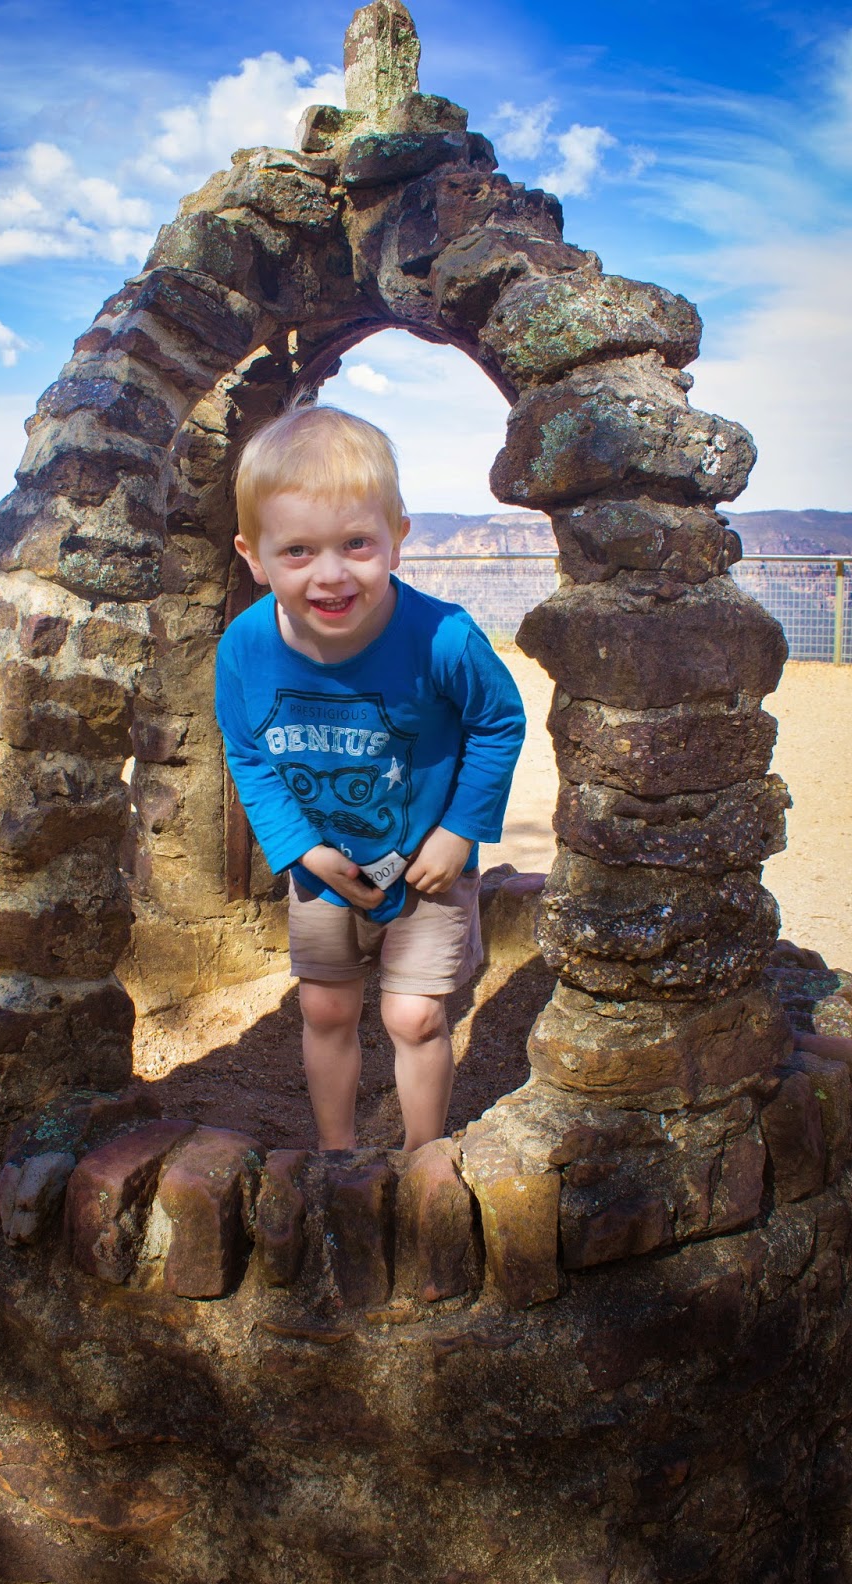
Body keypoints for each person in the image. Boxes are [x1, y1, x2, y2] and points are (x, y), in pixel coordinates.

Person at [214, 404, 526, 1153]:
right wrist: (301, 849)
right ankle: (336, 1155)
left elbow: (498, 723)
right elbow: (247, 752)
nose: (331, 573)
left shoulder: (443, 639)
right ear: (253, 556)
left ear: (397, 538)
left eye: (356, 543)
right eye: (297, 550)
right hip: (321, 866)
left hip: (426, 864)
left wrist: (459, 834)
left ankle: (422, 1158)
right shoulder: (245, 649)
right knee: (326, 1008)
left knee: (413, 1016)